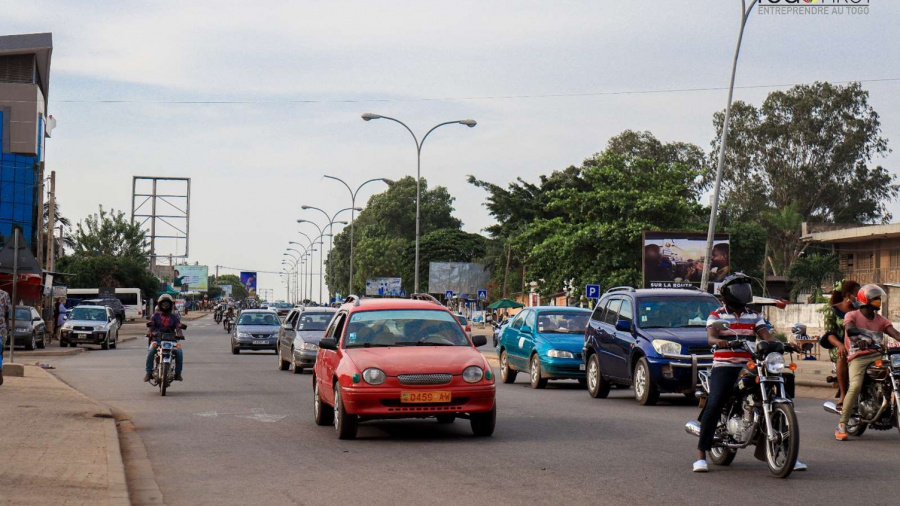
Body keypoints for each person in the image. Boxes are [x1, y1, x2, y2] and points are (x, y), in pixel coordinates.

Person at [693, 273, 805, 472]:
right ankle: (701, 454)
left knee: (777, 392)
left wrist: (783, 345)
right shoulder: (717, 315)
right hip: (725, 365)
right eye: (738, 290)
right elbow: (711, 337)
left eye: (745, 289)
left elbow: (766, 335)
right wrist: (721, 341)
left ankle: (788, 453)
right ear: (726, 294)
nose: (743, 293)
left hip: (749, 365)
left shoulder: (754, 316)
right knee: (716, 401)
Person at [835, 284, 900, 441]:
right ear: (865, 300)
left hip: (878, 356)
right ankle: (841, 425)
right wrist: (858, 339)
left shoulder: (881, 320)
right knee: (856, 385)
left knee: (894, 376)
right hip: (858, 357)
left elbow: (895, 333)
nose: (879, 301)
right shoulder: (852, 315)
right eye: (875, 298)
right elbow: (850, 330)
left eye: (879, 298)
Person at [818, 280, 860, 410]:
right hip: (839, 345)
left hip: (860, 344)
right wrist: (840, 345)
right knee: (842, 356)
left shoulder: (861, 310)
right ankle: (843, 394)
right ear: (848, 295)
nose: (860, 297)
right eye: (857, 294)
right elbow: (829, 334)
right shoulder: (832, 310)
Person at [144, 294, 184, 382]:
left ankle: (178, 373)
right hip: (157, 340)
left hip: (171, 340)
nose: (165, 306)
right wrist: (149, 332)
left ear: (171, 305)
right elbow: (150, 326)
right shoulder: (155, 316)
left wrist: (180, 334)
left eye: (167, 304)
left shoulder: (175, 317)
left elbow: (178, 327)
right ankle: (148, 373)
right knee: (151, 350)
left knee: (179, 351)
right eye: (163, 304)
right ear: (160, 305)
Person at [0, 288, 10, 386]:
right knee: (0, 352)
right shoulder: (5, 294)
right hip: (2, 329)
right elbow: (7, 313)